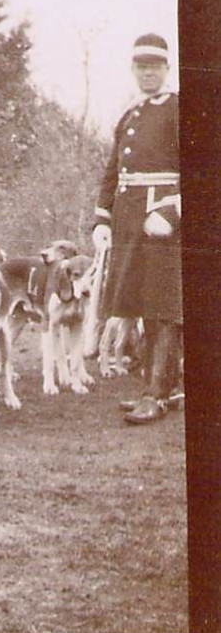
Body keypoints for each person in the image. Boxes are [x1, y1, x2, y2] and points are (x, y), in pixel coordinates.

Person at [92, 33, 182, 425]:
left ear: (166, 69)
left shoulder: (180, 109)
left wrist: (173, 210)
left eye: (155, 67)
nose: (148, 73)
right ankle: (169, 389)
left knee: (163, 306)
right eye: (141, 67)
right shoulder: (130, 115)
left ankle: (155, 395)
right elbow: (113, 172)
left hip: (162, 219)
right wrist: (102, 219)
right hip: (130, 221)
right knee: (143, 305)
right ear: (133, 70)